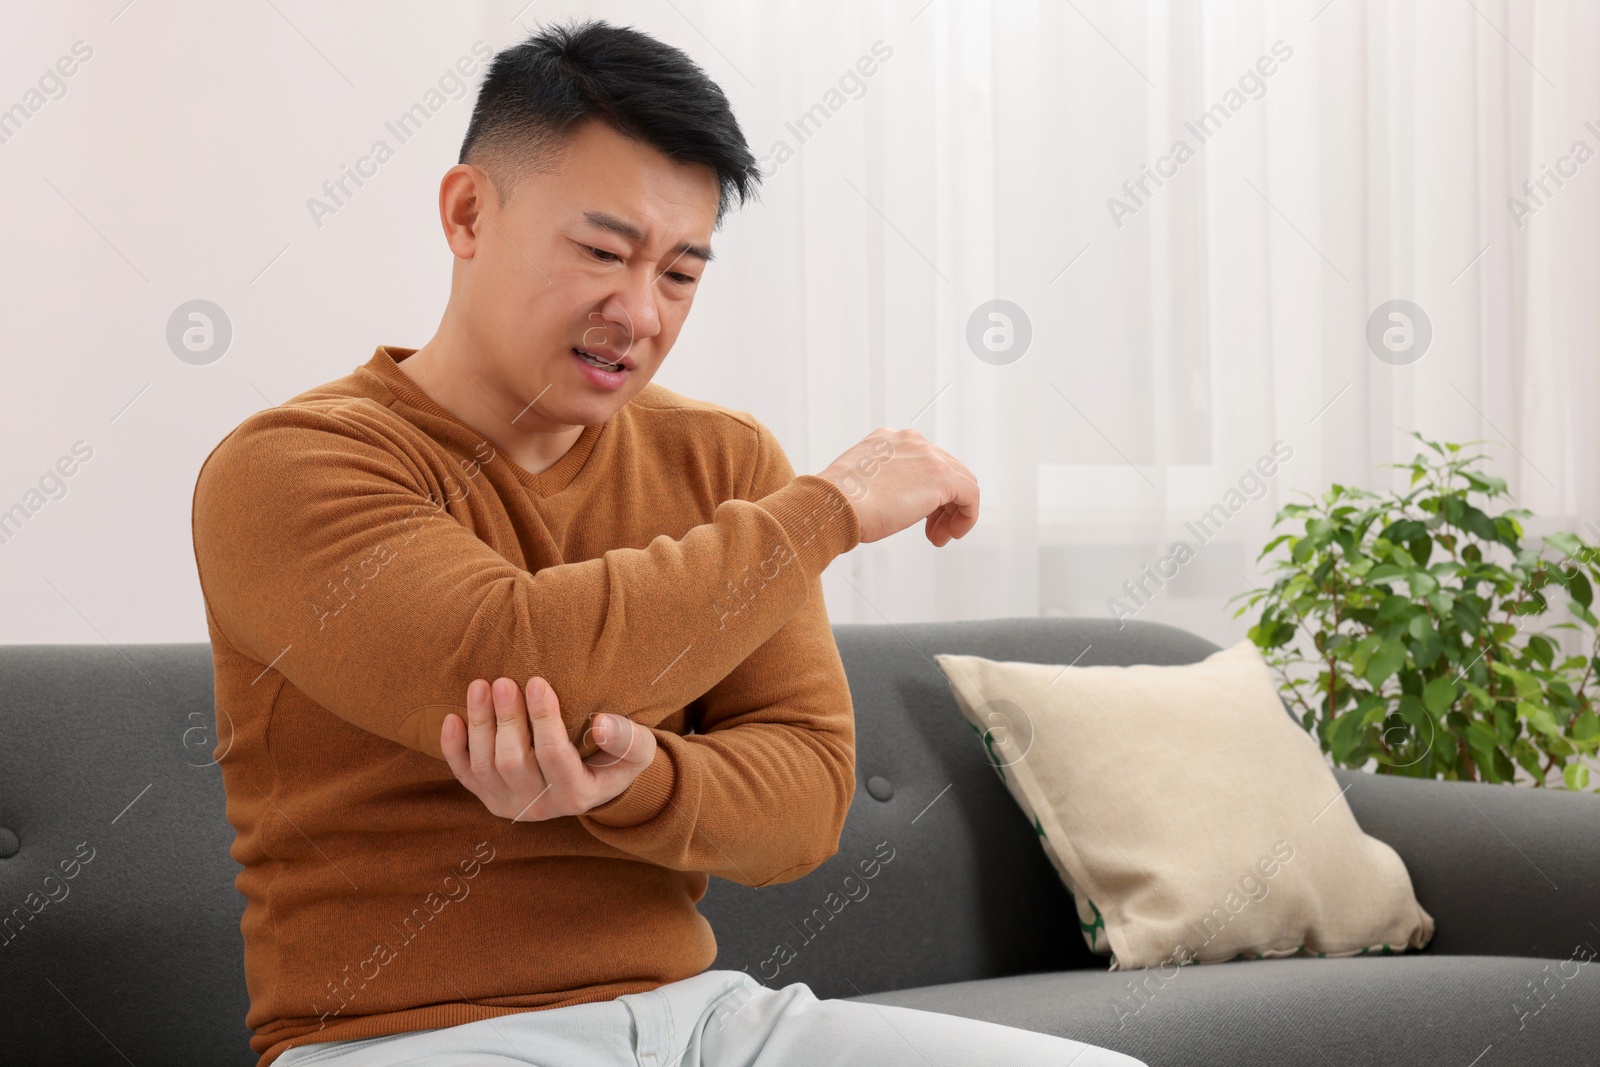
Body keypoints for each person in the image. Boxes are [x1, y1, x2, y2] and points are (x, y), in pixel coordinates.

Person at [190, 17, 1143, 1067]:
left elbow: (806, 796)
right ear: (468, 212)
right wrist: (826, 509)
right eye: (602, 250)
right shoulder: (287, 468)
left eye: (681, 273)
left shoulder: (722, 462)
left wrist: (630, 783)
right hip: (400, 1036)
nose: (638, 312)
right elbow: (514, 660)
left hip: (703, 1017)